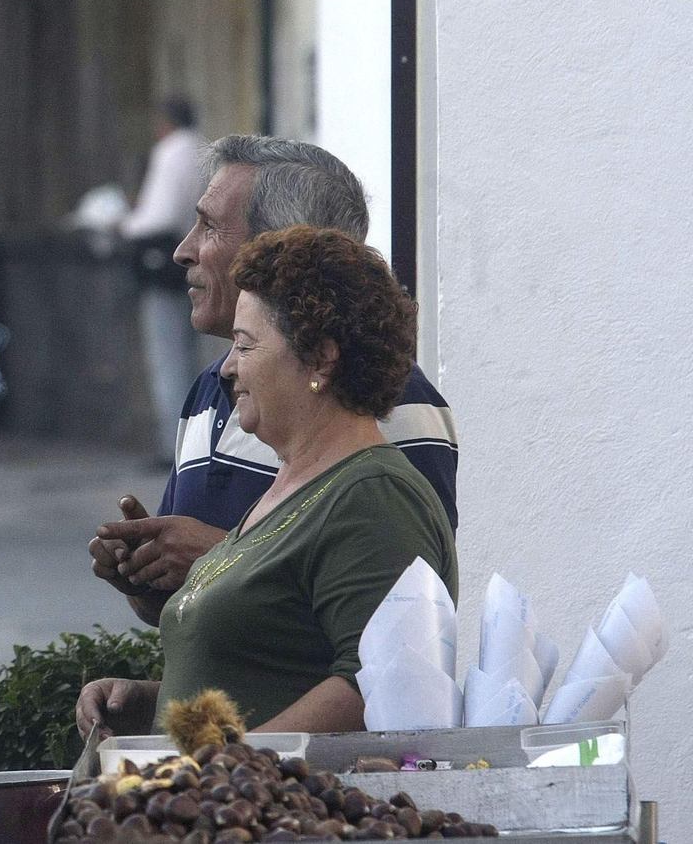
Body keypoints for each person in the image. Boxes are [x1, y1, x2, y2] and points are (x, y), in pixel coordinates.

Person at [76, 225, 458, 735]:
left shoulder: (374, 495)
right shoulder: (293, 488)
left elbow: (376, 685)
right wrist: (152, 706)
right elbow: (270, 675)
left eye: (245, 345)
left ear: (320, 358)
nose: (227, 369)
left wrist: (231, 769)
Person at [89, 136, 458, 629]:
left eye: (210, 226)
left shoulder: (391, 404)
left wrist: (219, 554)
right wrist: (147, 572)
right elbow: (200, 616)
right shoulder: (209, 390)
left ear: (284, 248)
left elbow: (401, 625)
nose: (183, 251)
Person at [121, 97, 208, 471]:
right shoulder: (204, 150)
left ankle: (172, 444)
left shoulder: (170, 152)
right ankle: (198, 438)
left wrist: (124, 222)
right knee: (191, 353)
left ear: (165, 121)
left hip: (163, 257)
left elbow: (159, 215)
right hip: (201, 256)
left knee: (166, 355)